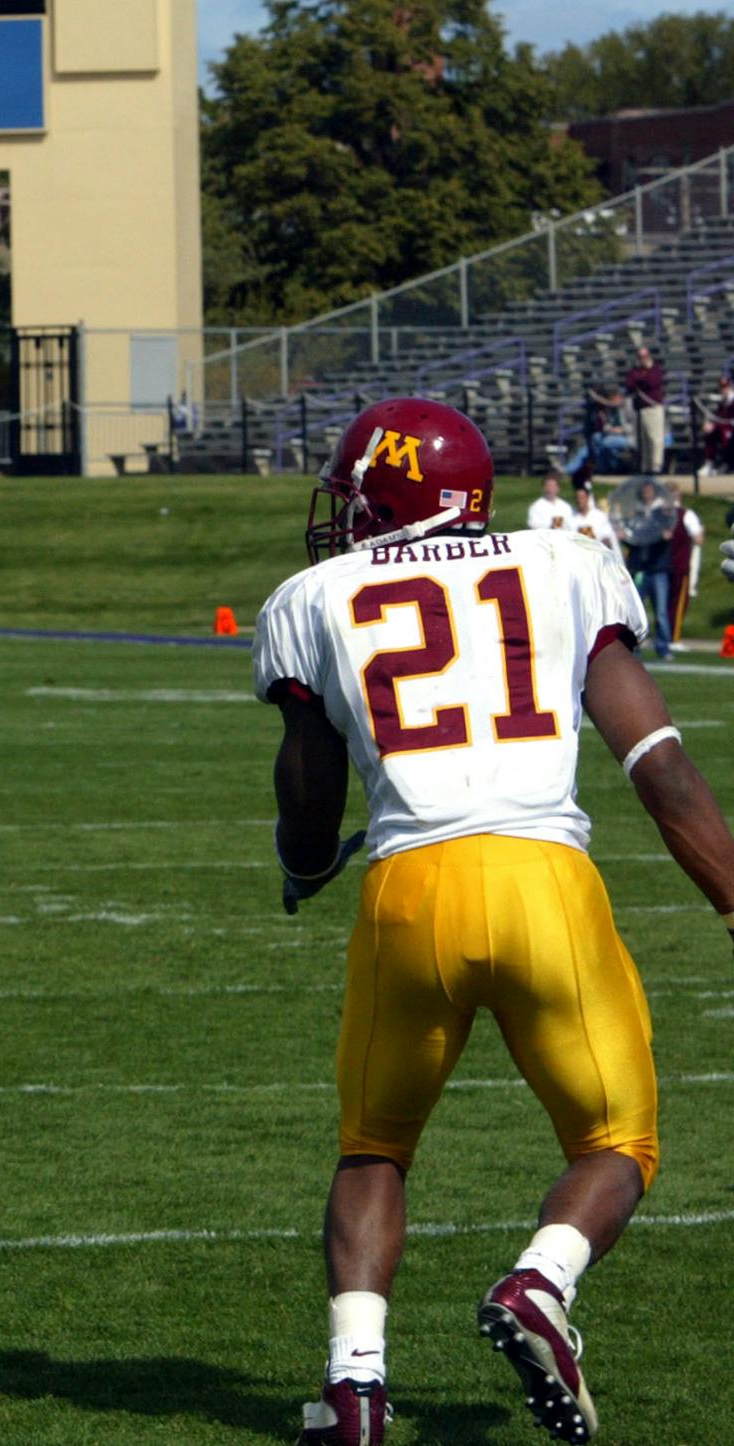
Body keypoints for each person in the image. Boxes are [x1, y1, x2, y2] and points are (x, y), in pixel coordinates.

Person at [256, 397, 734, 1446]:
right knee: (617, 1140)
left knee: (374, 1145)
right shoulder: (564, 565)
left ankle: (355, 1391)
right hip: (543, 887)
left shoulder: (313, 597)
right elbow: (657, 764)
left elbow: (309, 790)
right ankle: (539, 1281)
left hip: (407, 901)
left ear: (389, 497)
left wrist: (300, 863)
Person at [620, 479, 676, 659]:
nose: (646, 491)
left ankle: (664, 647)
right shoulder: (635, 513)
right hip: (639, 568)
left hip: (658, 566)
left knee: (660, 612)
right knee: (635, 611)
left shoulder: (662, 513)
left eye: (649, 488)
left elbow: (665, 533)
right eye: (644, 488)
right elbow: (631, 535)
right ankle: (634, 647)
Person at [559, 384, 632, 483]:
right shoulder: (607, 409)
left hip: (627, 437)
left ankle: (569, 470)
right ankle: (568, 470)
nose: (612, 401)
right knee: (589, 446)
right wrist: (606, 425)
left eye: (615, 397)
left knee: (598, 441)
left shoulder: (628, 407)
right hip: (610, 437)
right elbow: (606, 426)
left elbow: (636, 427)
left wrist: (621, 429)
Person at [668, 497, 706, 648]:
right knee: (678, 603)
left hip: (662, 566)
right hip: (679, 564)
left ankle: (663, 636)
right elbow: (699, 539)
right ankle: (674, 638)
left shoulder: (659, 514)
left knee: (664, 604)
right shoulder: (686, 514)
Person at [625, 344, 666, 475]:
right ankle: (645, 467)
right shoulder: (635, 370)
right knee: (643, 440)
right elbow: (630, 383)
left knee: (655, 438)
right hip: (640, 409)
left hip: (653, 408)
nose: (642, 359)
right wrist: (640, 379)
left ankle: (656, 466)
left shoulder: (655, 369)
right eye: (640, 357)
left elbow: (652, 382)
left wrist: (640, 379)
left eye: (644, 356)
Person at [572, 483, 619, 560]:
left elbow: (608, 537)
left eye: (582, 497)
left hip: (597, 557)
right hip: (578, 558)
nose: (579, 500)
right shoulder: (572, 518)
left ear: (587, 498)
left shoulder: (599, 516)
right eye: (577, 497)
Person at [699, 374, 734, 476]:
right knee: (710, 433)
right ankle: (710, 463)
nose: (723, 390)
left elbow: (729, 421)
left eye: (725, 387)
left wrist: (715, 425)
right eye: (722, 387)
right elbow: (720, 418)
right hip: (725, 429)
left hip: (731, 431)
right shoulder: (723, 402)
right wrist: (711, 425)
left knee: (723, 434)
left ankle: (727, 464)